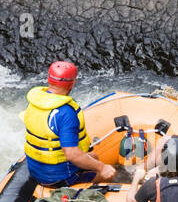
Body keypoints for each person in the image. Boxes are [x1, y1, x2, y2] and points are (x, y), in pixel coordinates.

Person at [22, 60, 116, 189]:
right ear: (72, 83)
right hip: (58, 178)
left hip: (36, 169)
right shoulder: (66, 113)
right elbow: (72, 154)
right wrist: (102, 168)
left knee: (94, 156)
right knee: (108, 173)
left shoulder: (35, 101)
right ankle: (86, 193)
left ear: (49, 78)